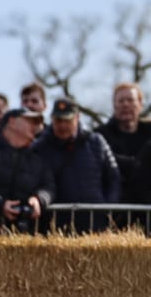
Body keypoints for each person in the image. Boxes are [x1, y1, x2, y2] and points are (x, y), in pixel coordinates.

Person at [38, 98, 119, 230]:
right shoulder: (41, 147)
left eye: (67, 120)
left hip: (96, 221)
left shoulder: (96, 142)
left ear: (77, 117)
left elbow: (113, 177)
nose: (62, 125)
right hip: (57, 225)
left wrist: (108, 208)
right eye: (58, 120)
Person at [96, 83, 147, 200]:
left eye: (130, 100)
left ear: (140, 105)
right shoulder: (99, 136)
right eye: (121, 101)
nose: (125, 104)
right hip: (113, 202)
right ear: (114, 106)